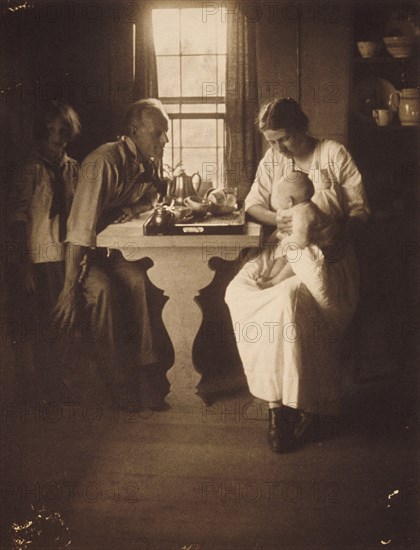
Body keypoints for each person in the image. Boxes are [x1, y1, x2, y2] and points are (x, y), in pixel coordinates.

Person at [225, 98, 370, 453]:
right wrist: (281, 219)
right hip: (286, 249)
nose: (277, 148)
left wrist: (338, 233)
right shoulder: (274, 159)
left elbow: (361, 208)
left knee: (287, 301)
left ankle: (296, 407)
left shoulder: (332, 153)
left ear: (301, 128)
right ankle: (277, 400)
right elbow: (253, 205)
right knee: (240, 291)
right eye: (271, 140)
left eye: (284, 139)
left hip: (329, 259)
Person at [53, 98, 172, 412]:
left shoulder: (144, 160)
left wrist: (132, 207)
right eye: (158, 133)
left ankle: (147, 373)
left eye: (166, 133)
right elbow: (79, 229)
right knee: (103, 291)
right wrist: (68, 289)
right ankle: (116, 382)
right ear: (134, 130)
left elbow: (152, 194)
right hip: (77, 252)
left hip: (107, 251)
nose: (165, 140)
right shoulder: (103, 162)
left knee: (142, 281)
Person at [8, 100, 81, 400]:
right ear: (41, 132)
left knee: (64, 320)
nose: (57, 135)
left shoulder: (73, 168)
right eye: (50, 130)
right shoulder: (31, 170)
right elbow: (16, 220)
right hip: (39, 256)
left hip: (65, 254)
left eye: (62, 130)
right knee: (42, 322)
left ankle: (59, 381)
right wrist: (23, 265)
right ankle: (43, 387)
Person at [255, 170, 341, 289]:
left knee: (294, 258)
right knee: (283, 254)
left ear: (290, 201)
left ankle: (274, 282)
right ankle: (270, 276)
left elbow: (301, 241)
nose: (276, 199)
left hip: (325, 246)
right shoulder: (302, 206)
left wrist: (285, 242)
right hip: (311, 239)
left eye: (278, 197)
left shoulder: (303, 212)